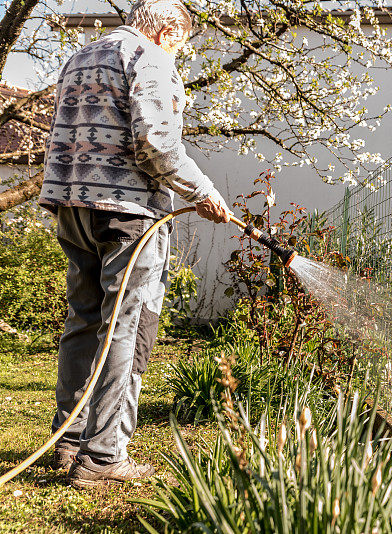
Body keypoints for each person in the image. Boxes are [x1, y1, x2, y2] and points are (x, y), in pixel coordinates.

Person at [38, 0, 230, 488]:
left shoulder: (82, 56)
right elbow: (156, 143)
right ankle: (103, 459)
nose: (178, 54)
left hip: (72, 205)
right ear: (167, 29)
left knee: (83, 321)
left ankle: (69, 440)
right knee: (129, 325)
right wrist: (202, 192)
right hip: (129, 215)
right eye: (180, 43)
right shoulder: (149, 55)